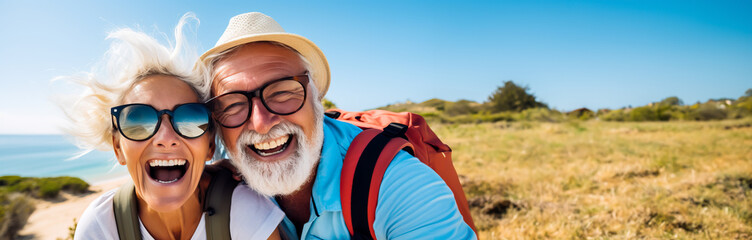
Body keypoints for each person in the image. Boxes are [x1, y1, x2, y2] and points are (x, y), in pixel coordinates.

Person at [199, 12, 477, 239]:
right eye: (233, 105)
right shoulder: (220, 176)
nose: (260, 124)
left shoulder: (400, 186)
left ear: (316, 98)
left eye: (282, 93)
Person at [60, 14, 284, 240]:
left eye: (190, 118)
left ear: (209, 146)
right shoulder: (100, 228)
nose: (166, 138)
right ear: (118, 147)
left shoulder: (245, 214)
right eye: (138, 121)